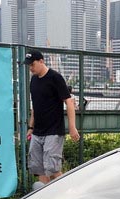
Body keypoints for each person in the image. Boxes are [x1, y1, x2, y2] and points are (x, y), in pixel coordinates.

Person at [24, 50, 80, 184]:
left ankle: (66, 192)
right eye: (29, 66)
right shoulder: (33, 80)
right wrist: (31, 127)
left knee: (53, 167)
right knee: (39, 168)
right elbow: (35, 106)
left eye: (32, 65)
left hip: (54, 131)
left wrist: (72, 127)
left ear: (41, 61)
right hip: (38, 131)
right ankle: (44, 197)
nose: (30, 68)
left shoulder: (55, 77)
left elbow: (69, 102)